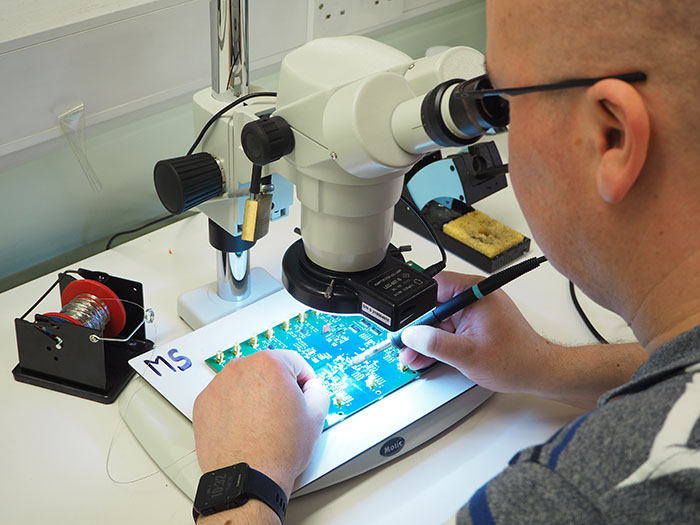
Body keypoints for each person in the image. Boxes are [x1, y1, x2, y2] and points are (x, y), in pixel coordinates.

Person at [192, 0, 700, 522]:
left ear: (610, 136)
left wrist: (243, 487)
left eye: (503, 102)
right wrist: (550, 367)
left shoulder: (573, 501)